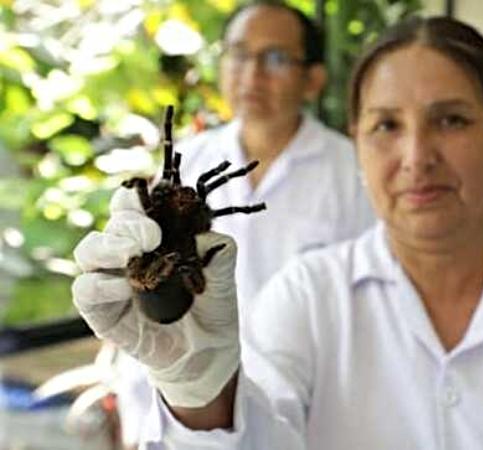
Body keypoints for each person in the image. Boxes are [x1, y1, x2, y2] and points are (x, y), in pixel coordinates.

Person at [73, 16, 483, 449]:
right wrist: (199, 386)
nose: (417, 156)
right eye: (386, 125)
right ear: (357, 144)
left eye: (452, 120)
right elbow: (254, 435)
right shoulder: (305, 298)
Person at [110, 1, 374, 447]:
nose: (251, 75)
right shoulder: (187, 160)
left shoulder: (354, 174)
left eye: (274, 58)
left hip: (305, 417)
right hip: (182, 411)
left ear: (313, 79)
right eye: (238, 53)